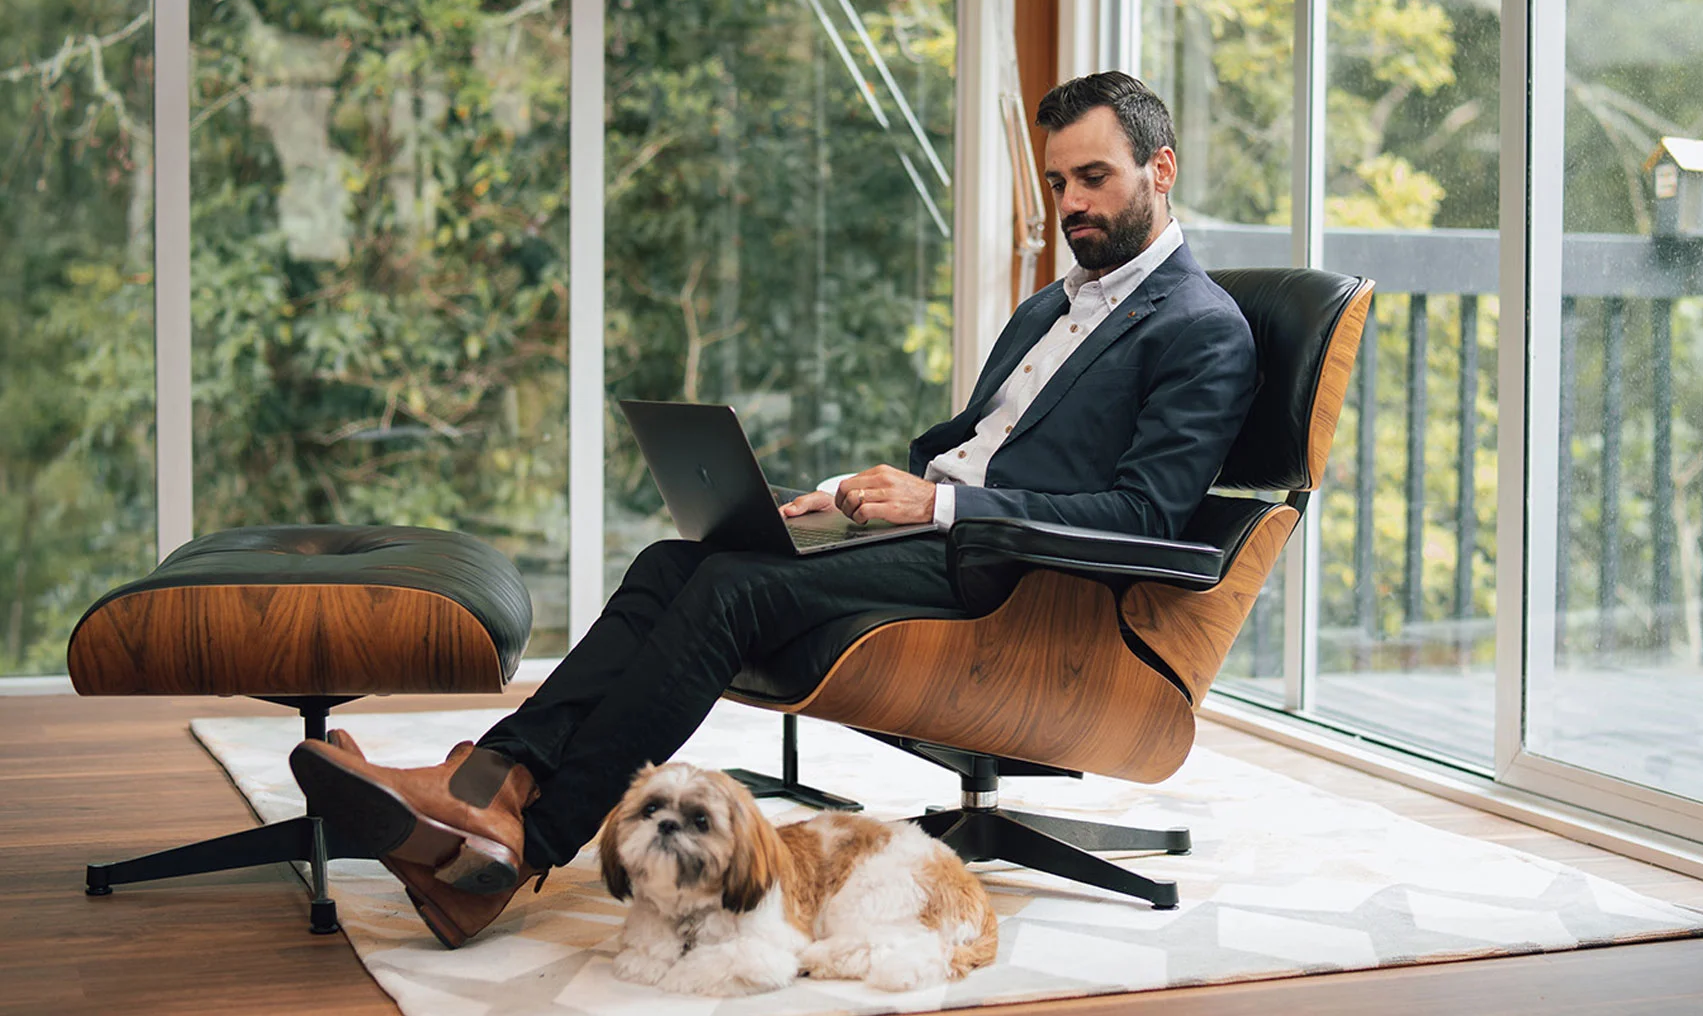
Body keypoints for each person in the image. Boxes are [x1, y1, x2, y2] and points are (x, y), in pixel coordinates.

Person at [290, 70, 1259, 948]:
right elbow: (962, 443)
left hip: (1013, 582)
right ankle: (488, 785)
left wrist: (947, 505)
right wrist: (852, 495)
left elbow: (1146, 517)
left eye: (1093, 178)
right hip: (933, 528)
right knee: (677, 562)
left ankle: (522, 845)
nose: (1071, 205)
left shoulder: (1201, 328)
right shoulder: (1052, 307)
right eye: (1057, 184)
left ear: (1160, 168)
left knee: (728, 591)